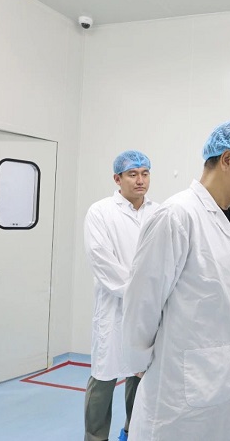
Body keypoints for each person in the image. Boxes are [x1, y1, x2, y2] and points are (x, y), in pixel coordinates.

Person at [121, 120, 230, 441]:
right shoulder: (177, 215)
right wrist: (140, 363)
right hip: (181, 386)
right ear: (227, 159)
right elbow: (142, 302)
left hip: (218, 379)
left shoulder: (226, 218)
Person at [83, 150, 159, 441]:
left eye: (145, 173)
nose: (140, 180)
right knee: (104, 376)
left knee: (141, 376)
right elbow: (101, 260)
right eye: (132, 174)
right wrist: (140, 293)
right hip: (114, 307)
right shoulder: (100, 212)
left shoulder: (159, 211)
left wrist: (152, 297)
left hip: (150, 309)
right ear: (117, 179)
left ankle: (132, 432)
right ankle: (95, 437)